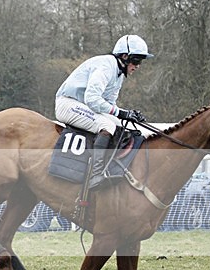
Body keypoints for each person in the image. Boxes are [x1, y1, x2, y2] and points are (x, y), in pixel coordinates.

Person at [55, 34, 153, 190]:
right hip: (68, 104)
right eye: (136, 61)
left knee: (120, 126)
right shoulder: (107, 66)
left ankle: (111, 167)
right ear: (125, 56)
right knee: (107, 125)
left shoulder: (119, 74)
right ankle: (96, 174)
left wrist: (127, 115)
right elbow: (92, 98)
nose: (138, 66)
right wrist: (121, 113)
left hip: (83, 106)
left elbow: (109, 105)